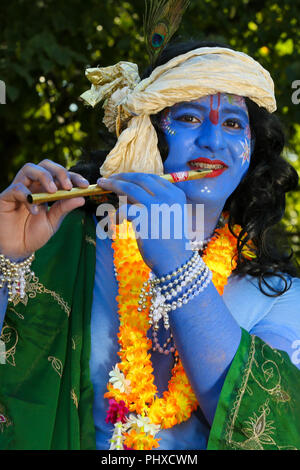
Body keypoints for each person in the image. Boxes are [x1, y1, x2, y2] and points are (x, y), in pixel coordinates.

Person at [0, 39, 300, 451]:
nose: (212, 140)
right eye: (190, 118)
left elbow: (264, 423)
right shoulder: (71, 240)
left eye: (232, 123)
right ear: (149, 134)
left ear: (253, 151)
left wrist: (177, 264)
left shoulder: (279, 294)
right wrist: (8, 256)